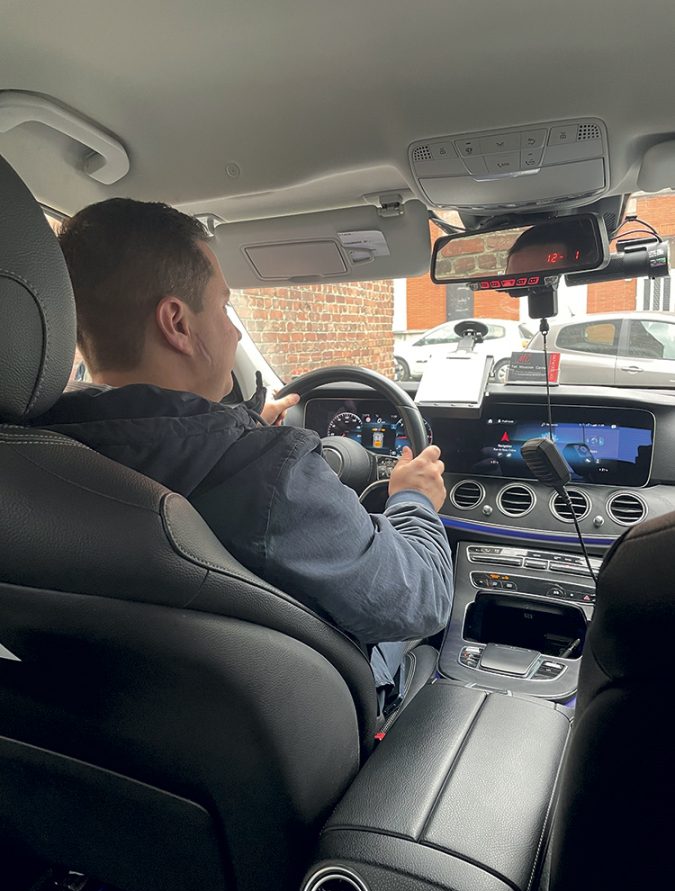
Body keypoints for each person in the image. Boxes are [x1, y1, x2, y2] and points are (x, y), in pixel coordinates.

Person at [35, 199, 453, 707]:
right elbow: (423, 595)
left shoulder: (32, 453)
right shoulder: (272, 475)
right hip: (308, 726)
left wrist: (242, 430)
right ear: (178, 323)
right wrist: (414, 501)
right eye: (224, 306)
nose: (234, 330)